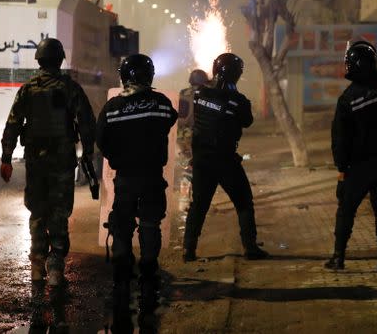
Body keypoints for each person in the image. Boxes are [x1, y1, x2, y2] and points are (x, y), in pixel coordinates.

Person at [0, 38, 96, 291]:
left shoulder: (28, 89)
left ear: (39, 60)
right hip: (62, 160)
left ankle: (37, 264)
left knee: (38, 211)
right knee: (59, 211)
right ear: (60, 59)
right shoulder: (70, 88)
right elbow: (86, 122)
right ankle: (55, 267)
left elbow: (12, 125)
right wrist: (88, 152)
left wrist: (6, 158)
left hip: (35, 161)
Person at [96, 54, 178, 317]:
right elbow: (170, 120)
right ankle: (149, 270)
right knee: (150, 223)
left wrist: (117, 155)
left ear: (124, 76)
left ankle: (122, 272)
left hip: (127, 177)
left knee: (122, 223)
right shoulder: (162, 104)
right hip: (153, 175)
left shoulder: (113, 108)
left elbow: (101, 139)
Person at [182, 53, 268, 262]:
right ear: (237, 74)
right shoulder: (238, 101)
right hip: (226, 161)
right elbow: (247, 121)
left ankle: (188, 250)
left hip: (202, 160)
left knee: (198, 206)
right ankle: (250, 248)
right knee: (244, 203)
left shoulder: (201, 94)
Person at [325, 41, 377, 273]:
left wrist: (341, 170)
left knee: (346, 210)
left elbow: (340, 139)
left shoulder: (347, 99)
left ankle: (339, 257)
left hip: (359, 166)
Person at [176, 69, 210, 211]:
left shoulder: (182, 94)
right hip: (198, 137)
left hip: (182, 137)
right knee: (199, 170)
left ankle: (184, 201)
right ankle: (193, 202)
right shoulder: (207, 95)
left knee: (188, 167)